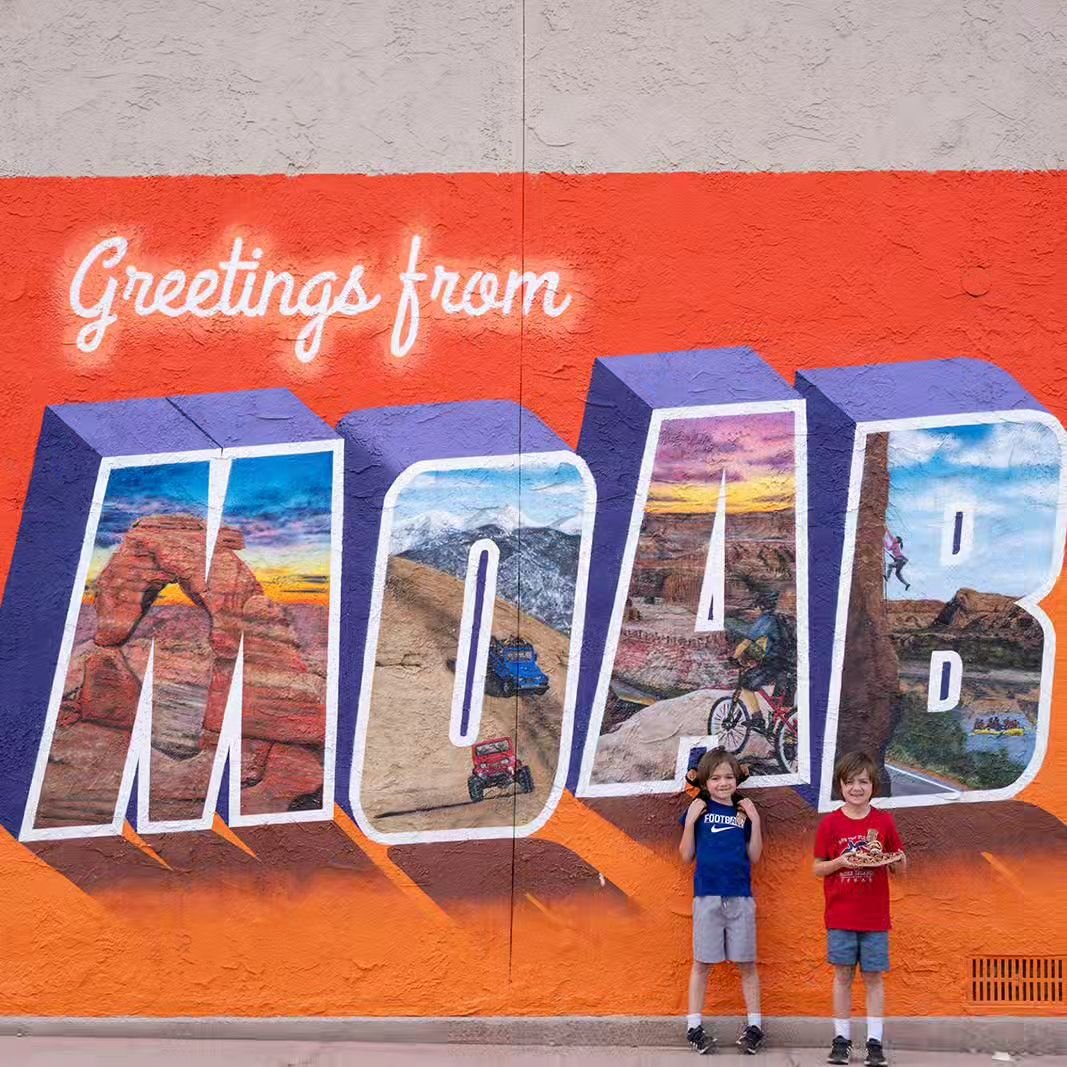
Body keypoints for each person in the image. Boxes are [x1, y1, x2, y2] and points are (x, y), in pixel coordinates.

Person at [813, 752, 906, 1067]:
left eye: (863, 781)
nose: (856, 787)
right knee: (842, 976)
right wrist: (840, 862)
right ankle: (841, 1040)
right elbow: (817, 868)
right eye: (850, 781)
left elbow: (898, 866)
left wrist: (899, 859)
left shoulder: (883, 822)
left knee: (873, 978)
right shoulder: (830, 824)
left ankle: (874, 1042)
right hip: (840, 916)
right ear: (841, 785)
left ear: (873, 786)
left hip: (875, 918)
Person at [679, 747, 765, 1055]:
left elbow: (754, 856)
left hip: (740, 896)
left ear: (737, 780)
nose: (722, 783)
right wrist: (689, 823)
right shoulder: (699, 810)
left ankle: (755, 1025)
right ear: (705, 781)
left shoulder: (743, 813)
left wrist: (756, 820)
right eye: (715, 778)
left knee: (746, 963)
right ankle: (693, 1026)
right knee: (702, 963)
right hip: (707, 897)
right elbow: (686, 855)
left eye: (728, 776)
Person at [732, 591, 795, 721]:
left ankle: (757, 719)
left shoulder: (766, 620)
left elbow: (747, 642)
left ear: (761, 606)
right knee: (782, 705)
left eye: (756, 606)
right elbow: (768, 645)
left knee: (746, 683)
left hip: (775, 664)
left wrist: (734, 658)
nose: (755, 610)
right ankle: (785, 733)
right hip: (789, 666)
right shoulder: (780, 619)